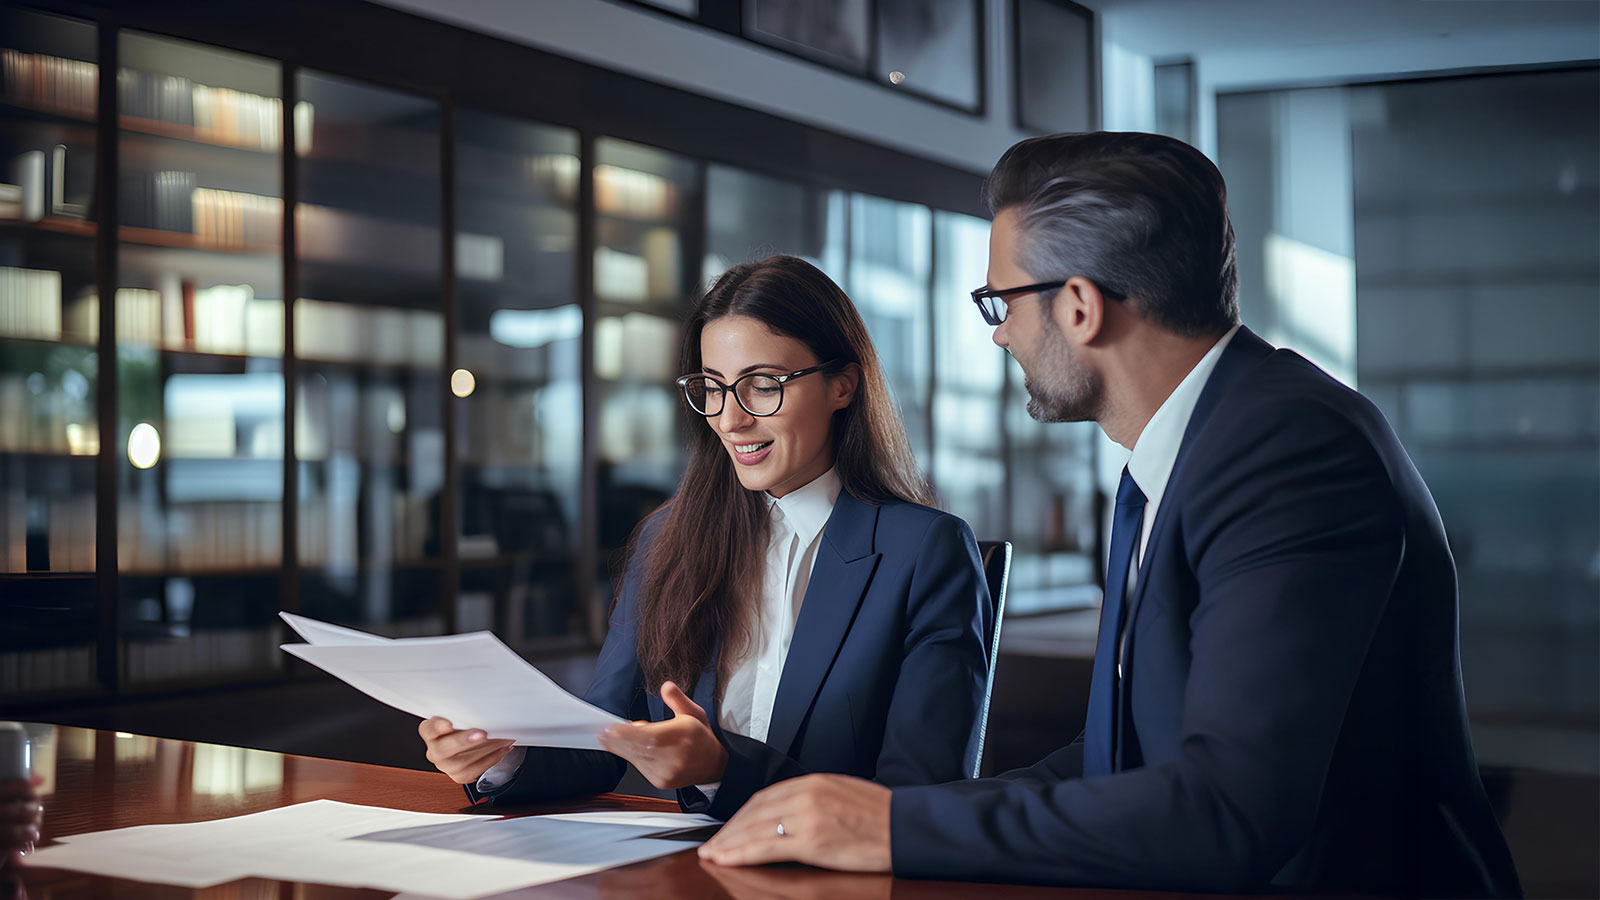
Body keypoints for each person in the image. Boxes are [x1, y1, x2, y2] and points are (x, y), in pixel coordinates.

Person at [698, 133, 1522, 898]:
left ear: (1080, 307)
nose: (1001, 336)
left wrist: (890, 826)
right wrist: (879, 816)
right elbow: (1115, 758)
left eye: (1002, 302)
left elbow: (1227, 811)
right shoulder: (1179, 456)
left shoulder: (1289, 449)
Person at [420, 255, 992, 818]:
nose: (729, 419)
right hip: (693, 863)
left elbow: (919, 798)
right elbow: (604, 739)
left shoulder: (924, 551)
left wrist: (722, 768)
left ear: (842, 385)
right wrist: (500, 756)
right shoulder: (668, 537)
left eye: (762, 385)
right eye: (713, 388)